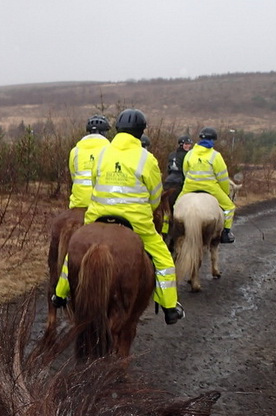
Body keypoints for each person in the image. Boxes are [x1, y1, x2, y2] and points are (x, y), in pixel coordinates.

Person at [52, 108, 184, 325]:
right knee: (163, 259)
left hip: (98, 215)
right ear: (140, 132)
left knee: (73, 251)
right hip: (136, 223)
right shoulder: (146, 158)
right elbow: (154, 195)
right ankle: (170, 307)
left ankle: (59, 294)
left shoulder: (104, 152)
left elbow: (94, 183)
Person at [180, 126, 236, 243]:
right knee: (230, 207)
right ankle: (226, 233)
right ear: (213, 140)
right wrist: (225, 192)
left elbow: (185, 171)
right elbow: (223, 178)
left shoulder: (190, 154)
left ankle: (172, 229)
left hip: (190, 186)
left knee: (176, 205)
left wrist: (192, 182)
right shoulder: (215, 156)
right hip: (210, 188)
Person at [67, 114, 111, 209]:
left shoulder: (75, 151)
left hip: (79, 202)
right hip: (101, 203)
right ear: (104, 132)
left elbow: (73, 177)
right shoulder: (110, 150)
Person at [160, 134, 193, 235]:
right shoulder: (188, 155)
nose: (189, 146)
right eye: (187, 144)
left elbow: (168, 170)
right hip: (179, 183)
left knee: (166, 209)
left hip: (167, 183)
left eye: (189, 144)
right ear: (181, 144)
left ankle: (164, 231)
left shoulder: (171, 154)